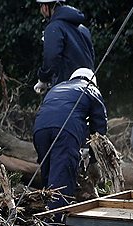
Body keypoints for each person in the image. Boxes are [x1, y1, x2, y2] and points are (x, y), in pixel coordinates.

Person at [33, 68, 107, 210]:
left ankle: (44, 215)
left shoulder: (57, 87)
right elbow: (100, 128)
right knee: (62, 178)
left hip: (39, 129)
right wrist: (92, 156)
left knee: (48, 175)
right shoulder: (91, 89)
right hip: (65, 131)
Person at [33, 0, 95, 94]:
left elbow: (51, 57)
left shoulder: (54, 27)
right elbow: (91, 57)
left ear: (45, 7)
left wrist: (43, 79)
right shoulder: (83, 29)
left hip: (67, 89)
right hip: (89, 88)